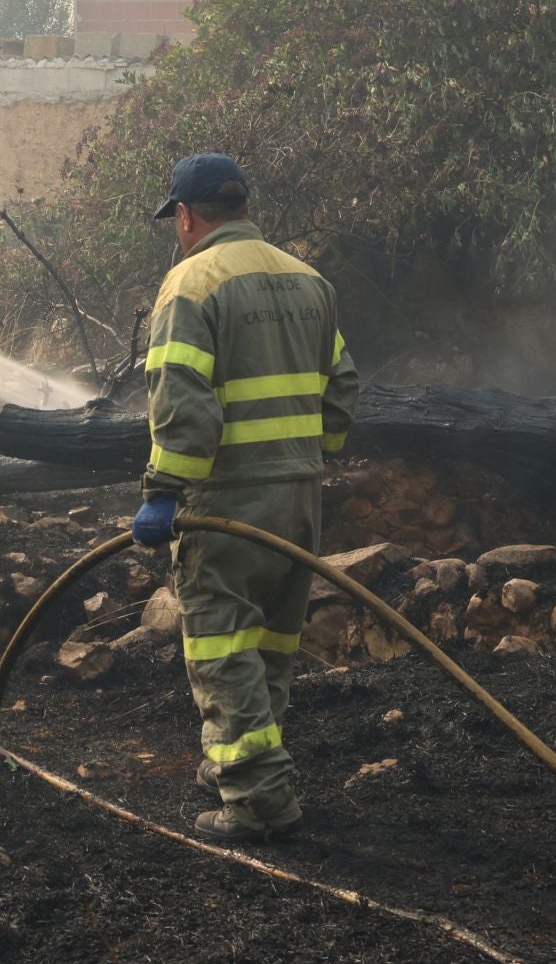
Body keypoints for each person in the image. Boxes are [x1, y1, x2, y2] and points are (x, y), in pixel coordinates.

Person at [130, 153, 360, 842]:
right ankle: (234, 765)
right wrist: (309, 460)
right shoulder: (307, 279)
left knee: (224, 648)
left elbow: (185, 406)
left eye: (176, 217)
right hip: (297, 500)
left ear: (187, 215)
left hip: (225, 503)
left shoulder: (190, 284)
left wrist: (164, 490)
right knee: (269, 648)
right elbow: (343, 387)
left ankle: (259, 801)